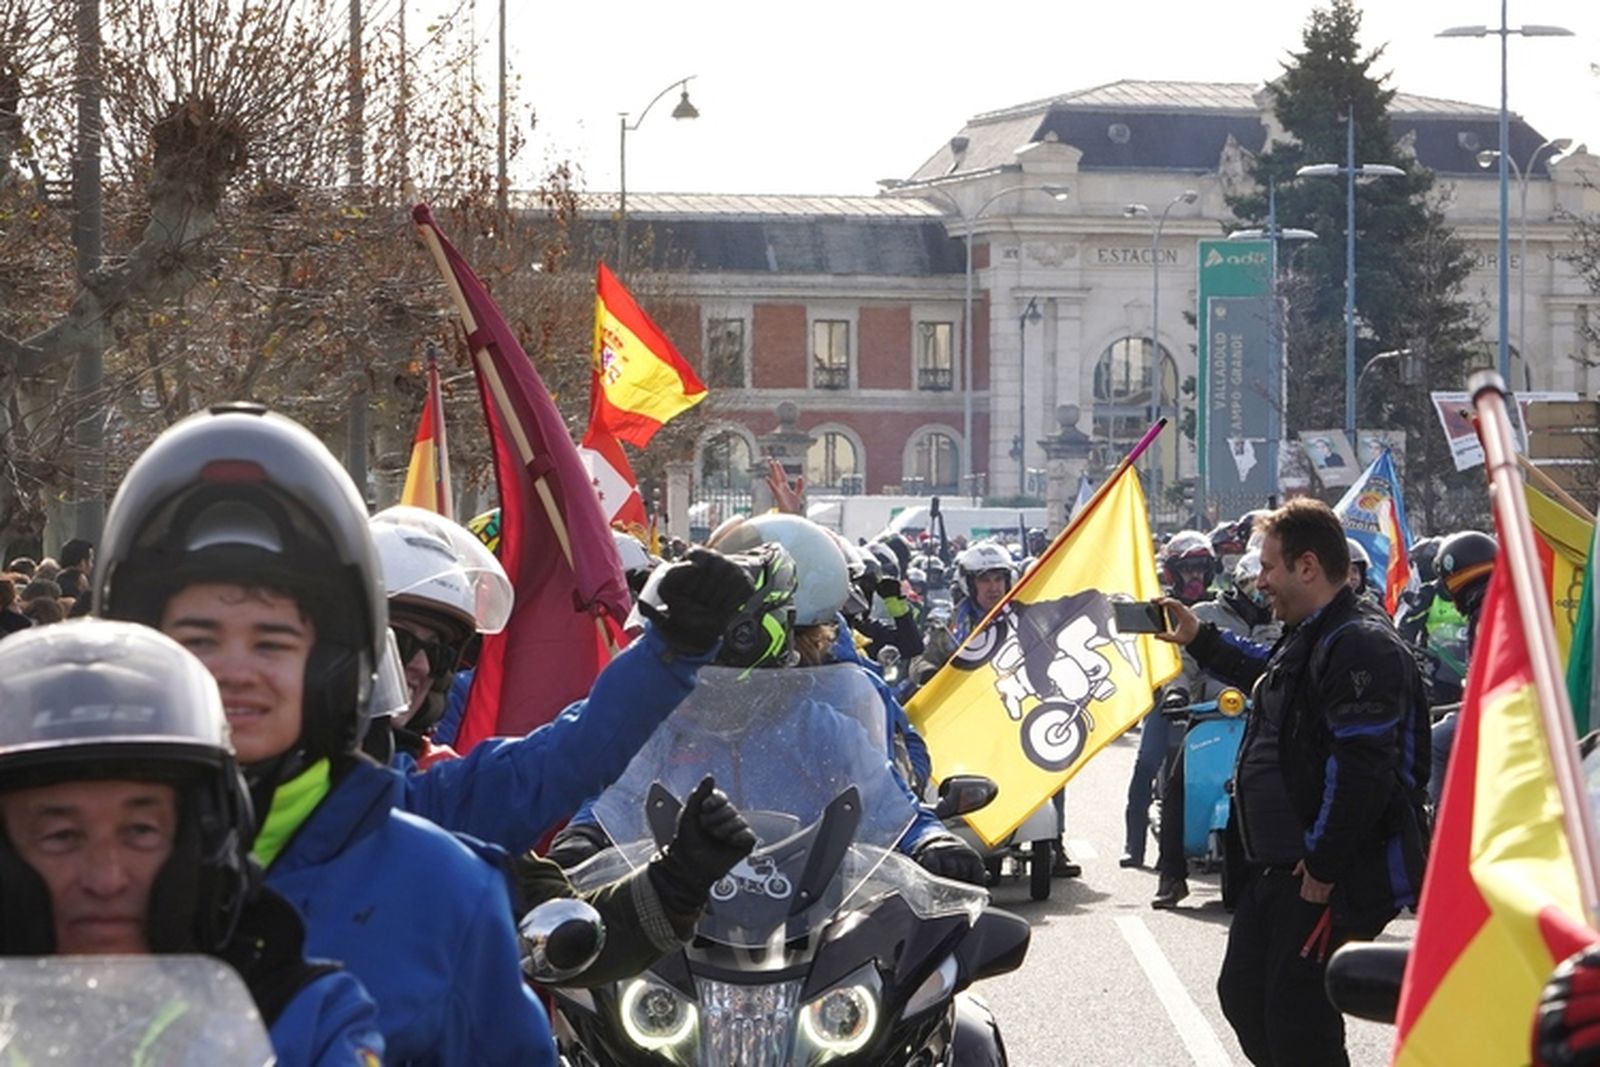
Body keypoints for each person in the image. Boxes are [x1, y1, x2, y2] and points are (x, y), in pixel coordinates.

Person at [91, 403, 560, 1064]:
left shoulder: (445, 893)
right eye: (198, 639)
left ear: (337, 667)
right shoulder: (61, 869)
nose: (236, 670)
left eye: (273, 641)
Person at [0, 619, 384, 1065]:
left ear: (204, 840)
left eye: (141, 832)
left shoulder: (302, 1017)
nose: (106, 879)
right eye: (61, 837)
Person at [1158, 498, 1430, 1067]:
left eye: (1268, 569)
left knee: (1296, 1018)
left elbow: (1362, 769)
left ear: (1307, 567)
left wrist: (1326, 865)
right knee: (1244, 994)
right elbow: (1273, 676)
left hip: (1323, 873)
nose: (1260, 584)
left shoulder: (1359, 642)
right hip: (1281, 868)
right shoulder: (1314, 634)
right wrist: (1202, 639)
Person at [1150, 548, 1281, 908]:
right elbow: (1183, 664)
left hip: (1263, 721)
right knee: (1177, 783)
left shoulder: (1282, 622)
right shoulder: (1204, 616)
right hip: (1210, 718)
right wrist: (1176, 695)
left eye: (1265, 585)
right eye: (1253, 584)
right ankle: (1172, 875)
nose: (1261, 592)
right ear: (1237, 584)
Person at [1121, 530, 1217, 873]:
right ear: (1172, 572)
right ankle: (1134, 845)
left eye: (1200, 567)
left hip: (1213, 704)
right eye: (1187, 568)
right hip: (1169, 700)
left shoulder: (1221, 606)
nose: (1194, 575)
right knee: (1148, 762)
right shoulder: (1155, 607)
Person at [1426, 529, 1498, 805]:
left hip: (1497, 710)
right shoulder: (1499, 598)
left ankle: (1441, 820)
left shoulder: (1484, 612)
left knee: (1437, 742)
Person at [950, 541, 1016, 643]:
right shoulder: (953, 625)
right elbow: (929, 658)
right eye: (985, 580)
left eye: (998, 579)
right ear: (970, 585)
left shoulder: (1024, 616)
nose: (993, 588)